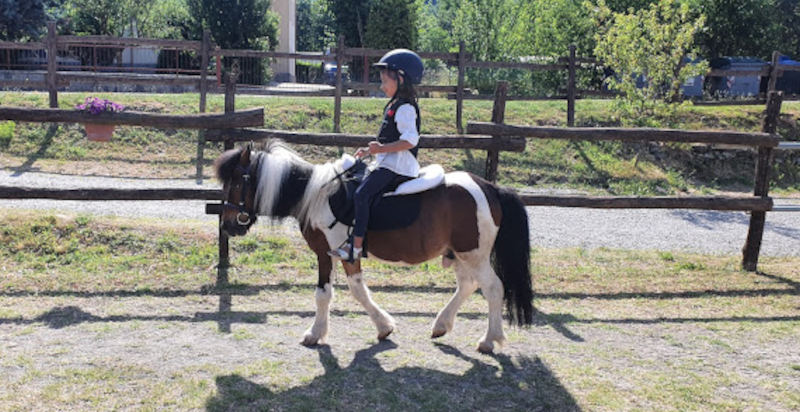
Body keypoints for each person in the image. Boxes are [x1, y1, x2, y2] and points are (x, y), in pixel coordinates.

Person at [328, 49, 424, 261]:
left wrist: (379, 149)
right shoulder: (395, 104)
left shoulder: (406, 108)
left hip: (398, 166)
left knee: (362, 194)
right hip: (388, 162)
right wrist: (371, 150)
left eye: (385, 81)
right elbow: (390, 137)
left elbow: (410, 140)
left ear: (400, 78)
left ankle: (356, 246)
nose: (381, 86)